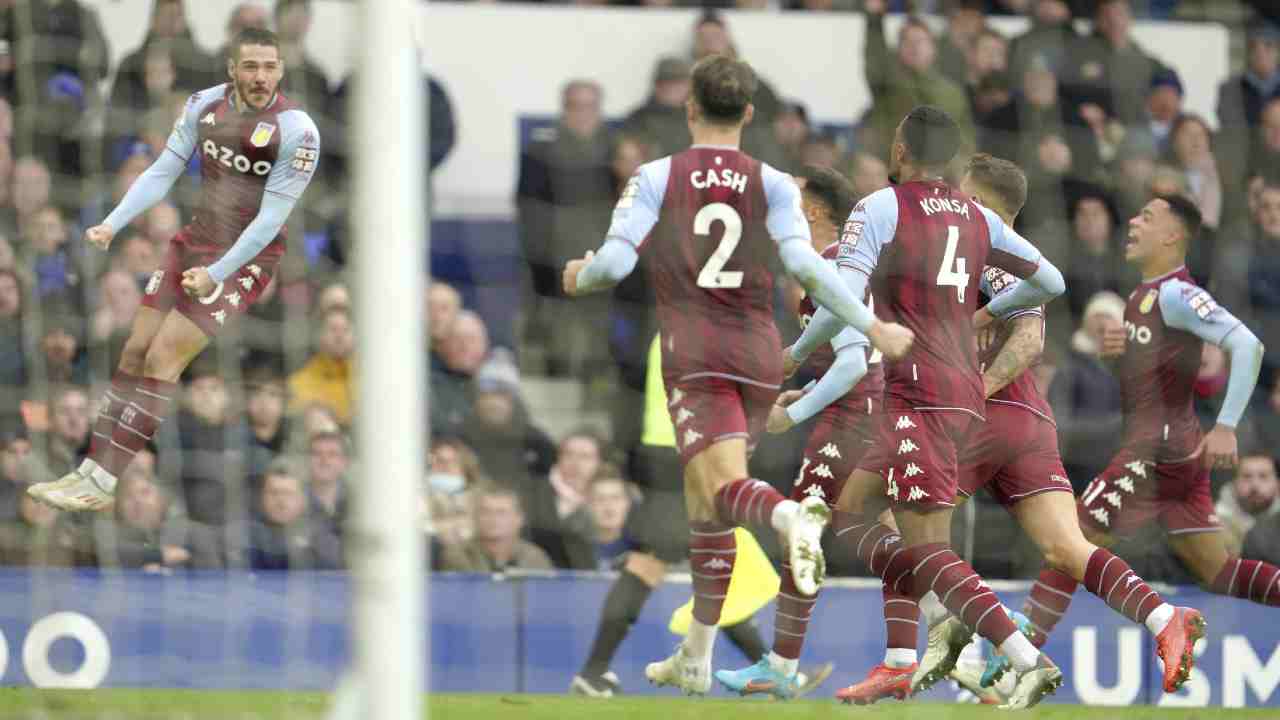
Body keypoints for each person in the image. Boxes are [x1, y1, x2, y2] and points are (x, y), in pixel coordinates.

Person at [561, 55, 913, 696]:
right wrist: (874, 327)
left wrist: (578, 273)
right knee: (706, 509)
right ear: (749, 113)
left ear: (689, 108)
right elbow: (808, 269)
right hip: (757, 351)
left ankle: (787, 520)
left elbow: (613, 266)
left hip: (695, 353)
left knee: (720, 491)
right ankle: (695, 655)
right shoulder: (777, 182)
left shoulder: (657, 175)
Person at [836, 155, 1204, 703]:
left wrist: (968, 394)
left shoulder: (983, 250)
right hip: (1030, 422)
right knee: (1066, 549)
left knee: (865, 511)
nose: (950, 205)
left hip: (977, 416)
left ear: (980, 203)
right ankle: (1163, 617)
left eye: (961, 195)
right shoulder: (1007, 258)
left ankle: (925, 645)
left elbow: (1029, 338)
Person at [786, 107, 1067, 709]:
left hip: (917, 394)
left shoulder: (881, 207)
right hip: (960, 393)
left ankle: (1022, 656)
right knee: (854, 509)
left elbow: (842, 295)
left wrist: (796, 352)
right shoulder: (978, 216)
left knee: (927, 547)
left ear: (900, 147)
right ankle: (928, 629)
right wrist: (983, 315)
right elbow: (1053, 283)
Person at [27, 28, 320, 511]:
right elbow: (163, 169)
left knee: (163, 360)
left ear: (281, 70)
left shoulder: (297, 131)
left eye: (269, 66)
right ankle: (86, 472)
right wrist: (112, 222)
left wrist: (217, 273)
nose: (260, 76)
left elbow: (270, 222)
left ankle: (103, 484)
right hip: (192, 242)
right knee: (134, 351)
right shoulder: (204, 105)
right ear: (231, 69)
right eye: (250, 66)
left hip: (244, 259)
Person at [1020, 195, 1277, 683]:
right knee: (1217, 570)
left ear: (1172, 236)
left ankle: (1015, 654)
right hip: (1171, 449)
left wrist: (1225, 424)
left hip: (1155, 451)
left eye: (1148, 217)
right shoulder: (1143, 295)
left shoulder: (1178, 293)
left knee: (1067, 543)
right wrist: (1123, 353)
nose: (1133, 222)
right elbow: (1166, 367)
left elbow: (1248, 344)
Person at [713, 165, 884, 699]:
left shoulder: (827, 265)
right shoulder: (840, 263)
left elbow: (854, 362)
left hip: (852, 415)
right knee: (879, 534)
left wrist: (796, 412)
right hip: (873, 411)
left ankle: (782, 666)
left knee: (803, 527)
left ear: (811, 211)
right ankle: (977, 638)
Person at [1216, 454, 1280, 555]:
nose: (1255, 485)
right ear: (1234, 483)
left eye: (1263, 476)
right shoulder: (1213, 527)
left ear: (1278, 483)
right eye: (1246, 477)